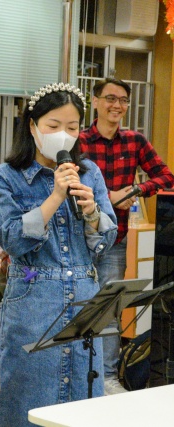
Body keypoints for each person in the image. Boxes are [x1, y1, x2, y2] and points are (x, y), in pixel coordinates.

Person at [0, 83, 118, 427]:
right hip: (33, 296)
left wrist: (92, 214)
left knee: (83, 399)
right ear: (32, 126)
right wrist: (56, 196)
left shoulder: (89, 173)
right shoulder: (6, 176)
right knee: (28, 399)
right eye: (53, 126)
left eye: (72, 128)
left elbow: (106, 242)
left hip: (84, 296)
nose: (63, 135)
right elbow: (12, 240)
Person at [79, 77, 174, 395]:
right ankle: (77, 374)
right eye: (110, 98)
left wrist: (135, 190)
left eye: (123, 100)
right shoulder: (78, 142)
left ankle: (106, 376)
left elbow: (165, 176)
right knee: (75, 305)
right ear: (95, 101)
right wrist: (106, 196)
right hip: (77, 242)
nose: (116, 105)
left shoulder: (135, 141)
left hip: (114, 241)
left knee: (108, 308)